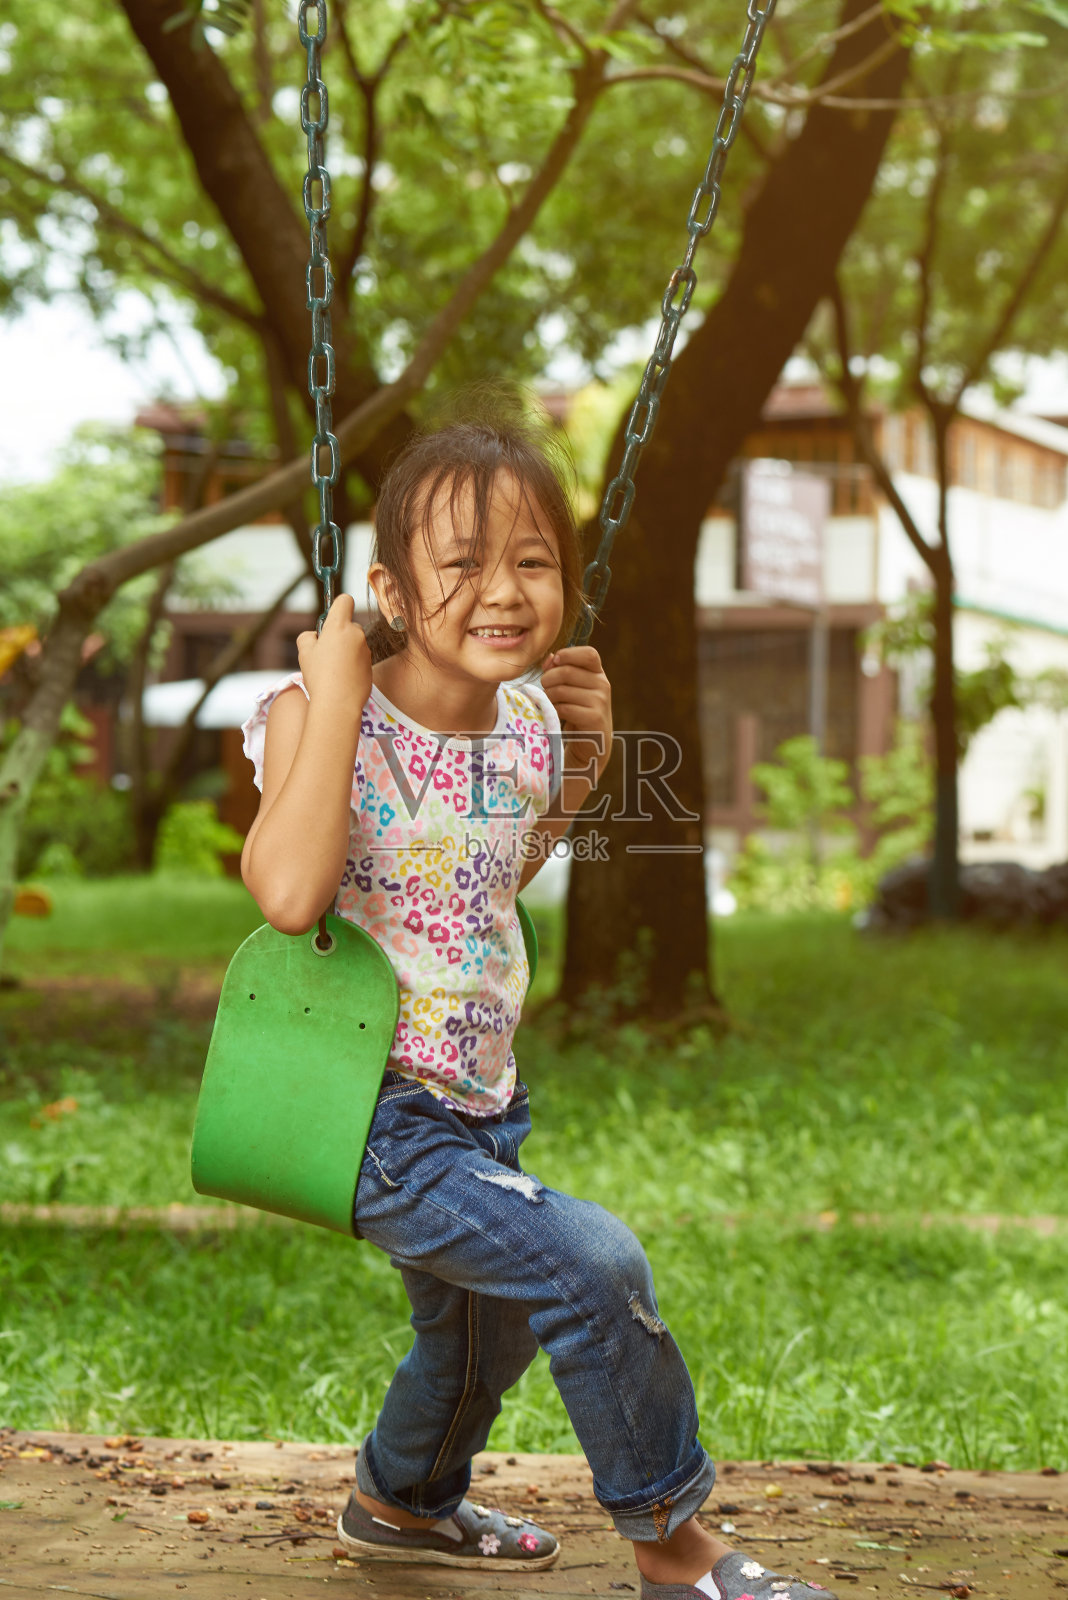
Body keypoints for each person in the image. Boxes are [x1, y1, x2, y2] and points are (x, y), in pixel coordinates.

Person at [240, 404, 836, 1600]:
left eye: (532, 561)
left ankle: (401, 1501)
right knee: (590, 1261)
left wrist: (579, 763)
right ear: (393, 591)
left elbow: (486, 876)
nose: (503, 590)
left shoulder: (522, 719)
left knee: (481, 1330)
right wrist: (343, 692)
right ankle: (674, 1543)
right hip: (368, 1108)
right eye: (462, 563)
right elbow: (293, 894)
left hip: (482, 1102)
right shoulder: (316, 713)